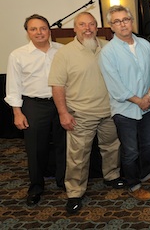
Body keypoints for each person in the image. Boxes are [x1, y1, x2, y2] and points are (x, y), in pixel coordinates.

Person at [48, 12, 123, 214]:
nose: (87, 28)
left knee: (111, 147)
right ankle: (74, 192)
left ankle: (112, 176)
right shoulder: (64, 54)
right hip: (80, 114)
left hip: (109, 111)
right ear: (75, 28)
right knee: (78, 157)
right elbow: (57, 86)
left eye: (91, 24)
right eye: (82, 24)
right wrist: (63, 113)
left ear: (97, 27)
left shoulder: (109, 46)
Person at [99, 5, 150, 202]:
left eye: (126, 19)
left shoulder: (145, 45)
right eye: (117, 21)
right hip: (124, 109)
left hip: (147, 105)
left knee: (148, 145)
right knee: (130, 151)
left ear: (131, 21)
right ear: (111, 26)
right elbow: (115, 86)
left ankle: (146, 175)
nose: (123, 24)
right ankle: (134, 185)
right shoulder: (107, 53)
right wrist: (139, 100)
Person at [4, 14, 66, 206]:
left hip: (62, 103)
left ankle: (64, 181)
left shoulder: (63, 50)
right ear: (27, 33)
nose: (39, 32)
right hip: (34, 104)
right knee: (36, 148)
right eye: (33, 29)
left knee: (64, 144)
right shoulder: (18, 55)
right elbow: (13, 86)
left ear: (49, 30)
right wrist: (17, 112)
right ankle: (36, 186)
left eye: (43, 28)